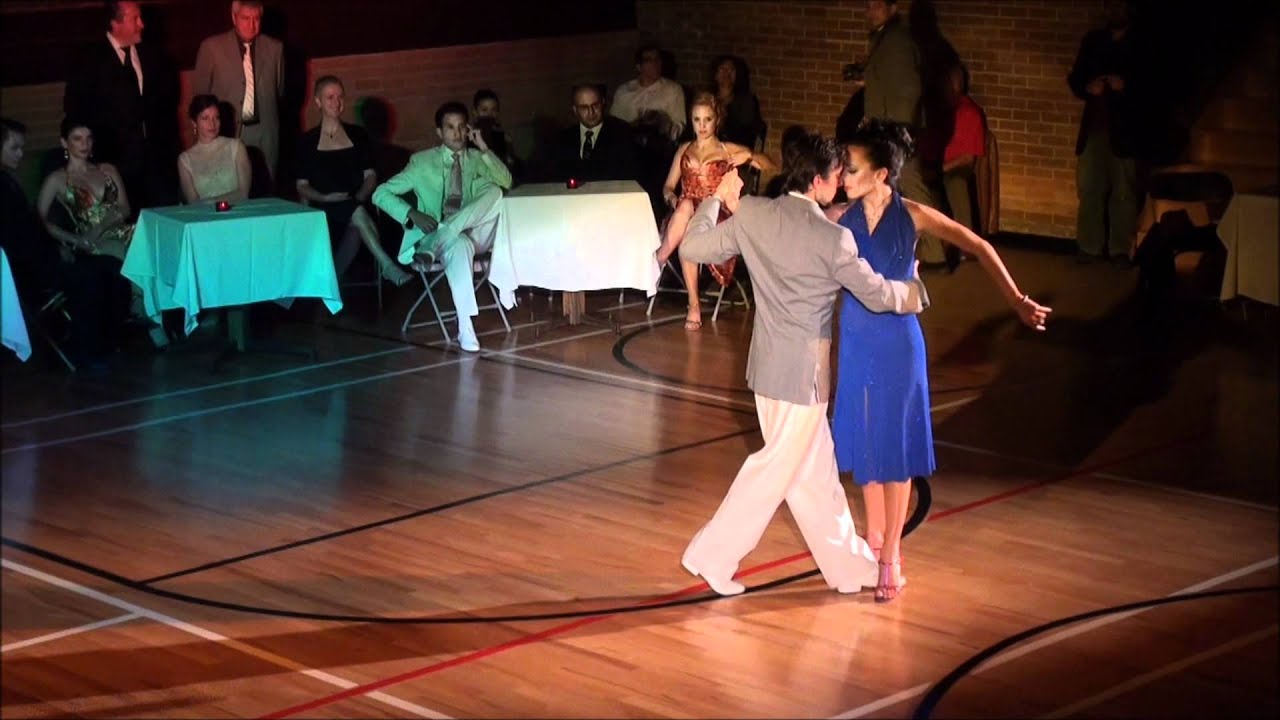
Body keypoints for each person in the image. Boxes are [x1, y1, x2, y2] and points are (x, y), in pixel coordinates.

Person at [678, 133, 929, 597]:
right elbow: (877, 294)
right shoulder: (833, 239)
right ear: (817, 181)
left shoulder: (752, 213)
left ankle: (851, 569)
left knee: (816, 480)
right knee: (773, 470)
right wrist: (913, 292)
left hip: (766, 373)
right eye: (836, 177)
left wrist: (714, 202)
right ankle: (711, 556)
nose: (840, 184)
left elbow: (693, 250)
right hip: (803, 382)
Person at [825, 119, 1050, 601]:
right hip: (858, 341)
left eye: (852, 167)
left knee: (896, 450)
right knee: (866, 446)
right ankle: (875, 540)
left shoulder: (915, 216)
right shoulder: (839, 217)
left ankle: (891, 558)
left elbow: (979, 245)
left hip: (897, 344)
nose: (842, 173)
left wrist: (1017, 301)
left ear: (882, 174)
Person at [372, 101, 511, 352]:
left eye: (461, 127)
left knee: (494, 191)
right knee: (458, 245)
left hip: (469, 233)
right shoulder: (422, 163)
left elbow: (506, 182)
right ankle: (465, 326)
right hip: (439, 235)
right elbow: (380, 194)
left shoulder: (478, 159)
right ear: (439, 132)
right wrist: (411, 212)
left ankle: (445, 234)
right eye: (450, 128)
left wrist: (483, 147)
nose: (457, 134)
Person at [653, 92, 775, 331]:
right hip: (683, 213)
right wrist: (671, 196)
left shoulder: (727, 149)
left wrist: (750, 155)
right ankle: (692, 301)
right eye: (696, 120)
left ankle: (659, 260)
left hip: (715, 213)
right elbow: (668, 186)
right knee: (686, 207)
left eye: (707, 119)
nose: (701, 126)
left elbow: (770, 166)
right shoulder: (684, 149)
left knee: (690, 227)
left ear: (716, 120)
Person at [33, 117, 142, 367]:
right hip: (92, 244)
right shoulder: (57, 180)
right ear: (65, 143)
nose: (84, 144)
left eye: (88, 138)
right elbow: (38, 220)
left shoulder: (107, 169)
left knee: (148, 245)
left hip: (122, 231)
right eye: (77, 138)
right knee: (121, 260)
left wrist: (104, 225)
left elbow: (124, 208)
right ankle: (143, 320)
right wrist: (73, 240)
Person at [63, 0, 179, 213]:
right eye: (135, 19)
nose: (142, 24)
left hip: (155, 165)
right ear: (115, 23)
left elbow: (165, 108)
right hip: (114, 164)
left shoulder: (154, 56)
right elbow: (76, 109)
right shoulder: (89, 60)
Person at [296, 76, 409, 286]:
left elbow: (370, 176)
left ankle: (330, 282)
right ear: (318, 102)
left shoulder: (357, 135)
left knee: (356, 216)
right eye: (330, 97)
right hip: (324, 204)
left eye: (340, 97)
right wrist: (325, 197)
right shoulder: (307, 141)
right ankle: (387, 265)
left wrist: (358, 197)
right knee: (356, 215)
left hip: (355, 201)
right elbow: (302, 185)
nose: (336, 102)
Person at [1067, 0, 1139, 265]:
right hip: (1094, 129)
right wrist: (1089, 87)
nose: (1114, 11)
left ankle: (1120, 249)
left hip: (1125, 132)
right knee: (1089, 189)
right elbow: (1075, 80)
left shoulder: (1140, 44)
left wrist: (1126, 87)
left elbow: (1155, 85)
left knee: (1123, 191)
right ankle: (1089, 247)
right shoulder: (1094, 41)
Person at [192, 0, 285, 186]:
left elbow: (279, 91)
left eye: (256, 18)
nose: (252, 24)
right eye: (245, 18)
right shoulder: (212, 48)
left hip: (264, 134)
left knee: (264, 190)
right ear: (234, 18)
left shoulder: (275, 48)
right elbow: (200, 97)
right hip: (227, 133)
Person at [553, 84, 639, 184]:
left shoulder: (622, 132)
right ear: (575, 110)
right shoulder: (563, 138)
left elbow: (628, 174)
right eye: (584, 107)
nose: (591, 112)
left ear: (603, 103)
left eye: (595, 105)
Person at [177, 94, 252, 204]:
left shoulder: (236, 147)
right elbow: (192, 202)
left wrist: (211, 202)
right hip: (204, 218)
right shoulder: (185, 160)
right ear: (194, 123)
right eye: (205, 118)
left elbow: (244, 193)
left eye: (216, 117)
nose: (212, 123)